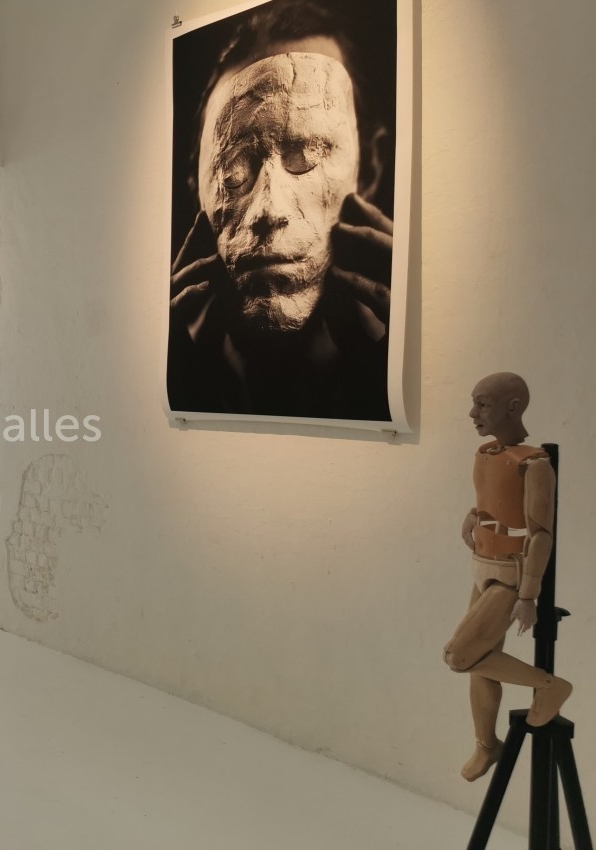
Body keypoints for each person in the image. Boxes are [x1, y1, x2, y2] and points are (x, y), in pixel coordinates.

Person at [168, 0, 394, 420]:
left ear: (371, 166)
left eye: (306, 155)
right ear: (194, 189)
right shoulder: (187, 379)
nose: (269, 210)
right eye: (232, 173)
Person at [444, 373, 571, 782]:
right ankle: (487, 744)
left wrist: (529, 595)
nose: (473, 413)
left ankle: (549, 686)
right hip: (482, 567)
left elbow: (540, 535)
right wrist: (472, 515)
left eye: (482, 404)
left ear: (513, 407)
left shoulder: (534, 464)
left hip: (509, 576)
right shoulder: (486, 453)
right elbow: (491, 501)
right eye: (474, 402)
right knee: (482, 663)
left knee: (460, 655)